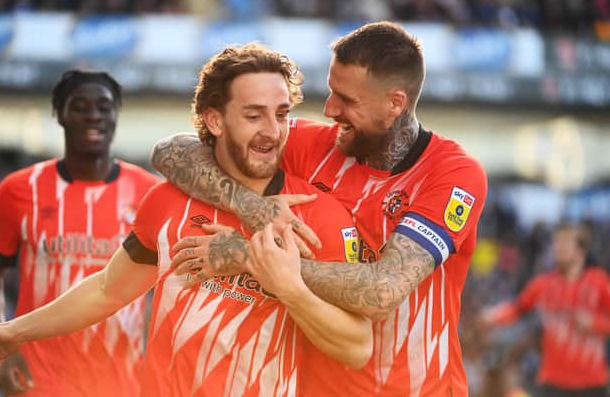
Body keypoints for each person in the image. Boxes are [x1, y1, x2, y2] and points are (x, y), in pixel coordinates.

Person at [0, 43, 372, 396]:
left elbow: (356, 347)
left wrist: (290, 287)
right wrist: (13, 332)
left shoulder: (317, 214)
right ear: (215, 120)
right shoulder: (167, 199)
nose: (273, 131)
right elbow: (109, 290)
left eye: (282, 114)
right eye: (254, 116)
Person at [149, 21, 488, 396]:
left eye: (347, 100)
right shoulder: (313, 145)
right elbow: (171, 150)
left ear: (395, 103)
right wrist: (249, 205)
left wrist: (252, 259)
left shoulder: (452, 173)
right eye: (331, 92)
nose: (329, 109)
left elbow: (382, 292)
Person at [0, 70, 160, 397]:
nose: (93, 116)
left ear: (116, 114)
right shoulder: (18, 190)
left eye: (104, 107)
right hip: (38, 379)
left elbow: (160, 288)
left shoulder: (149, 193)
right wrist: (6, 353)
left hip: (124, 382)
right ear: (59, 113)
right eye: (80, 106)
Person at [479, 222, 610, 397]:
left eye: (565, 242)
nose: (558, 248)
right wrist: (490, 317)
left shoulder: (599, 282)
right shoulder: (544, 284)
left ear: (580, 251)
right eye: (556, 242)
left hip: (591, 382)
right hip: (552, 381)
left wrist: (594, 323)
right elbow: (517, 308)